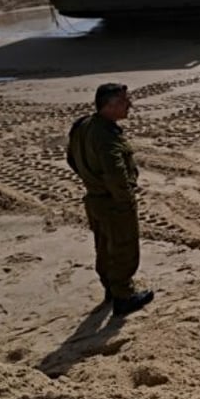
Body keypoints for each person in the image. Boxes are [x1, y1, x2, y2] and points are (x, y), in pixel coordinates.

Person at [67, 83, 154, 316]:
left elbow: (71, 159)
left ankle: (111, 289)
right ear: (111, 105)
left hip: (94, 199)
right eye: (125, 101)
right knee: (124, 248)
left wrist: (91, 180)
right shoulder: (106, 136)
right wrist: (125, 199)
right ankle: (123, 296)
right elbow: (116, 174)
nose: (130, 105)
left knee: (104, 246)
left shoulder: (83, 125)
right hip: (113, 201)